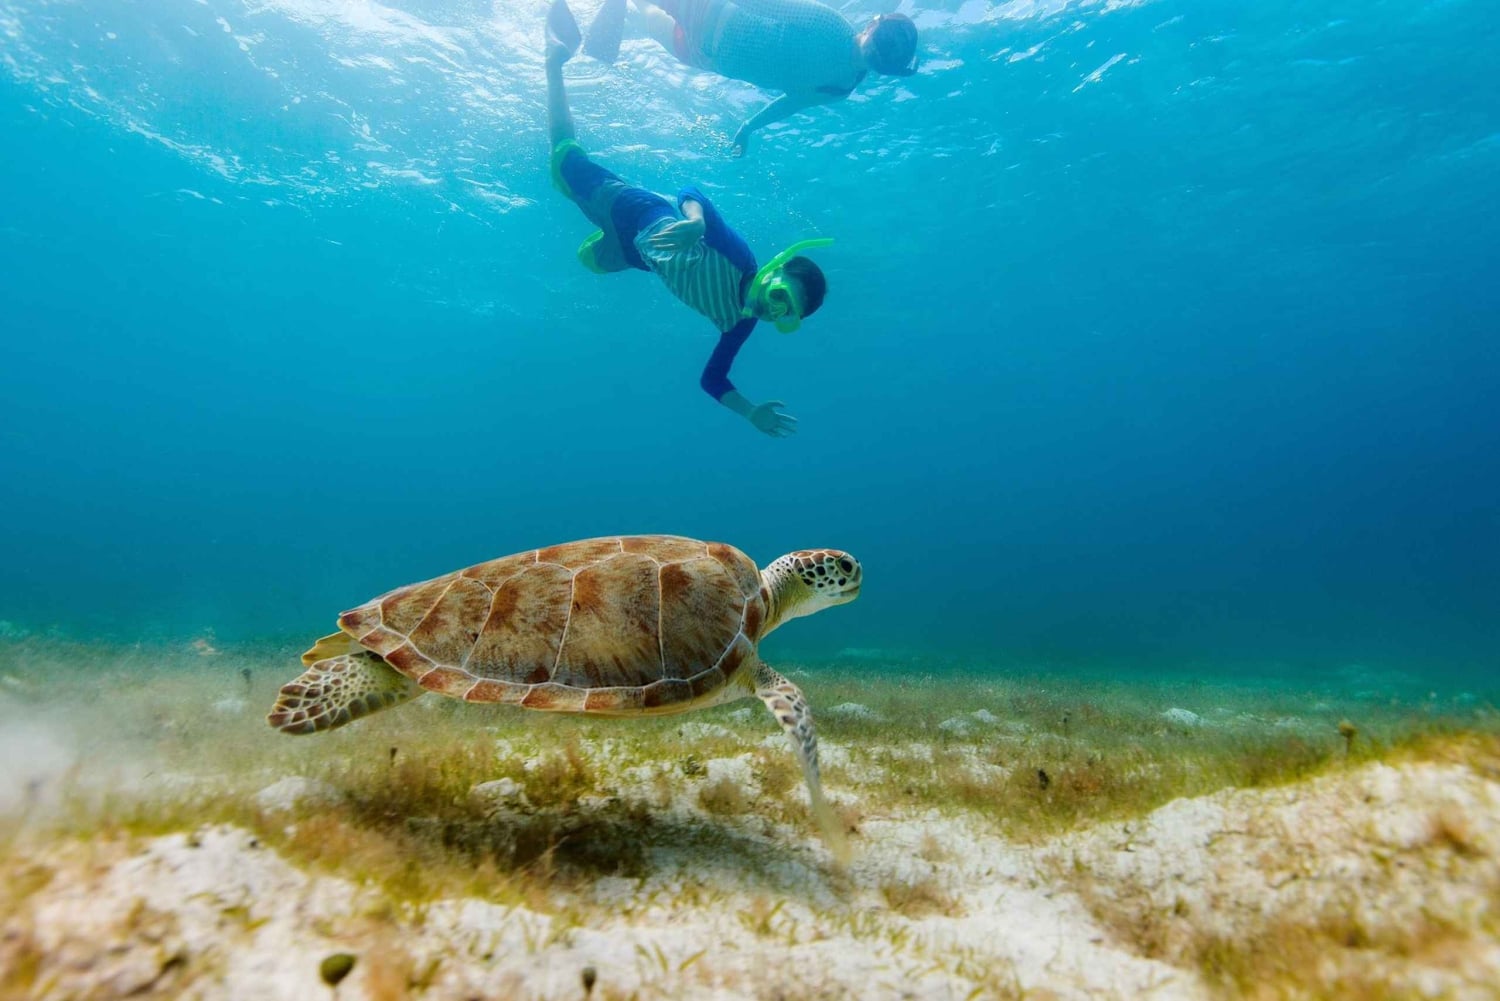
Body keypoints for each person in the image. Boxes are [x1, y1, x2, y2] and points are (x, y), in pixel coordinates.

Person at [545, 0, 831, 438]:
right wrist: (696, 223)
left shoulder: (739, 325)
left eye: (784, 316)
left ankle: (596, 223)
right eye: (780, 297)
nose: (772, 312)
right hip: (638, 212)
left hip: (636, 255)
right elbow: (690, 193)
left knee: (588, 261)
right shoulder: (739, 256)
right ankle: (556, 60)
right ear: (773, 271)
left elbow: (712, 379)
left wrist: (749, 412)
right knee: (562, 163)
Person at [584, 0, 919, 155]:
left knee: (647, 18)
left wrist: (748, 127)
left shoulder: (842, 88)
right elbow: (765, 5)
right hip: (708, 13)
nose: (884, 50)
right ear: (872, 25)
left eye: (893, 52)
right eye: (888, 39)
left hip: (705, 57)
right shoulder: (829, 23)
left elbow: (791, 104)